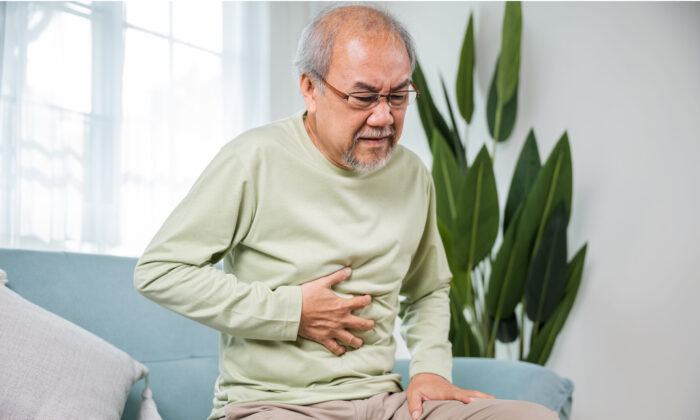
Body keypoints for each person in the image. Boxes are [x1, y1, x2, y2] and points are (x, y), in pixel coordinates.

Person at [134, 5, 558, 420]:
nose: (383, 116)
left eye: (398, 95)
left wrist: (429, 370)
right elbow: (160, 270)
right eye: (363, 96)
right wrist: (291, 312)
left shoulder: (412, 175)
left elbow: (427, 290)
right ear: (309, 89)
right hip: (273, 405)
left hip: (384, 403)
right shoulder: (253, 159)